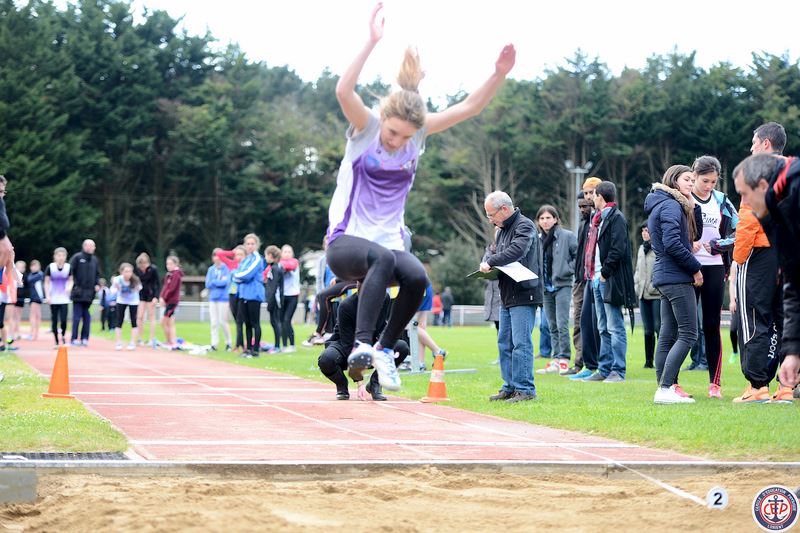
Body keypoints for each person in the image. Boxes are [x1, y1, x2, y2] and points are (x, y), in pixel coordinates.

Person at [326, 3, 515, 391]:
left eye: (406, 136)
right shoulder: (366, 127)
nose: (397, 141)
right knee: (382, 259)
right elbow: (343, 91)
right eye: (392, 133)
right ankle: (362, 345)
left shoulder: (418, 135)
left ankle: (382, 349)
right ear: (383, 119)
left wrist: (498, 74)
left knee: (416, 277)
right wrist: (371, 41)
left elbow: (470, 107)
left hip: (388, 242)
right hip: (346, 241)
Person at [734, 152, 799, 401]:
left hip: (757, 258)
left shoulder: (761, 178)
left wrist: (738, 259)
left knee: (753, 318)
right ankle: (786, 386)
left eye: (743, 194)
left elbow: (747, 223)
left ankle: (757, 385)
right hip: (777, 256)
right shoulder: (785, 188)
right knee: (782, 316)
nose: (743, 202)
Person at [645, 165, 703, 404]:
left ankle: (664, 388)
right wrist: (695, 268)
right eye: (687, 179)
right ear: (673, 180)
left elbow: (695, 235)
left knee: (668, 334)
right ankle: (666, 387)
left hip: (665, 277)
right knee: (689, 334)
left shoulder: (665, 203)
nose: (692, 183)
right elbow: (673, 244)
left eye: (693, 180)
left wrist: (693, 205)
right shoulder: (670, 205)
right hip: (676, 277)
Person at [481, 191, 542, 403]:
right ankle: (509, 387)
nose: (490, 220)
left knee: (521, 343)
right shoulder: (501, 231)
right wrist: (490, 264)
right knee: (504, 343)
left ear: (504, 209)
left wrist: (491, 261)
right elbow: (497, 255)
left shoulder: (525, 226)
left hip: (524, 293)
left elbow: (517, 251)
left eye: (491, 215)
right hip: (506, 294)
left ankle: (525, 389)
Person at [689, 155, 739, 397]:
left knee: (711, 325)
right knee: (685, 328)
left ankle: (715, 384)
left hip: (715, 268)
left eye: (713, 182)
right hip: (688, 268)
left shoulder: (722, 200)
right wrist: (688, 243)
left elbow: (741, 230)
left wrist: (719, 245)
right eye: (704, 181)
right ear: (694, 175)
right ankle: (671, 383)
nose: (709, 186)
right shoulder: (683, 198)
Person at [584, 182, 636, 383]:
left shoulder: (616, 218)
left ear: (600, 196)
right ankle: (604, 369)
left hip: (608, 279)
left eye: (593, 194)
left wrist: (604, 273)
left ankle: (618, 370)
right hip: (596, 279)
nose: (591, 198)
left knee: (615, 326)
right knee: (603, 327)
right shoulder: (598, 219)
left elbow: (618, 249)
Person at [318, 292, 410, 401]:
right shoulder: (346, 306)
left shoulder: (384, 297)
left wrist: (383, 350)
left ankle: (374, 384)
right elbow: (348, 345)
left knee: (401, 347)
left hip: (372, 341)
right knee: (326, 359)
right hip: (345, 344)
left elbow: (382, 326)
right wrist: (359, 382)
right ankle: (342, 385)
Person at [535, 205, 577, 374]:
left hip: (562, 285)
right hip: (545, 288)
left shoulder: (567, 236)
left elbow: (578, 257)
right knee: (551, 325)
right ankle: (556, 358)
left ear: (555, 219)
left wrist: (567, 269)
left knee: (562, 324)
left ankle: (564, 358)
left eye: (548, 218)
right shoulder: (537, 239)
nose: (545, 221)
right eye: (542, 218)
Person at [570, 179, 604, 380]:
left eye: (591, 193)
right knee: (582, 322)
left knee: (598, 324)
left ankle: (600, 365)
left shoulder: (602, 219)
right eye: (585, 194)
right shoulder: (586, 222)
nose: (587, 199)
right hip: (582, 278)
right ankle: (585, 363)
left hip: (597, 277)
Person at [233, 235, 265, 358]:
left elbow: (246, 275)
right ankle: (248, 349)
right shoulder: (247, 259)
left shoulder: (257, 259)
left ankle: (255, 350)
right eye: (248, 244)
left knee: (255, 323)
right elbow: (237, 274)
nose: (250, 246)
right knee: (247, 323)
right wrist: (238, 277)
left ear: (257, 245)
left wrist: (238, 277)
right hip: (244, 294)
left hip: (254, 295)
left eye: (252, 244)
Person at [634, 223, 660, 369]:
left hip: (656, 295)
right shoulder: (641, 249)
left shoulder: (658, 248)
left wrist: (652, 286)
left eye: (647, 230)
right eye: (643, 230)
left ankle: (661, 360)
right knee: (647, 329)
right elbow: (638, 270)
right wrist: (637, 286)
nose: (644, 233)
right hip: (643, 295)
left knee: (658, 328)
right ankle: (648, 361)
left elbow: (660, 269)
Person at [68, 239, 99, 346]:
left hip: (90, 295)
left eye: (92, 246)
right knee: (77, 317)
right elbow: (70, 272)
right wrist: (74, 286)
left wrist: (97, 284)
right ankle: (74, 338)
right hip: (78, 294)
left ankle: (84, 338)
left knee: (87, 317)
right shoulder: (77, 257)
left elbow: (97, 274)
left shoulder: (94, 260)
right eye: (88, 245)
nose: (90, 248)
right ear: (84, 246)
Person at [415, 282, 447, 372]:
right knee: (420, 328)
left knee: (408, 326)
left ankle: (438, 351)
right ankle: (420, 363)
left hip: (415, 286)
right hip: (425, 285)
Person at [205, 249, 233, 352]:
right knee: (214, 322)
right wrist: (217, 282)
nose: (217, 258)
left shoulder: (226, 268)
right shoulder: (211, 269)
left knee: (223, 321)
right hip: (213, 298)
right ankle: (214, 344)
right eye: (215, 256)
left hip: (223, 298)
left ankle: (228, 343)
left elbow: (226, 282)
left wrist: (214, 282)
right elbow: (208, 284)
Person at [217, 247, 244, 352]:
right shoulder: (231, 264)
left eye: (241, 254)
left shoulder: (246, 265)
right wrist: (232, 252)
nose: (239, 257)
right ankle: (239, 344)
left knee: (241, 320)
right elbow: (219, 254)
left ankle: (241, 344)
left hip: (242, 294)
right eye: (237, 255)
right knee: (237, 321)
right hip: (232, 294)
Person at [44, 247, 71, 348]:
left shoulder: (68, 267)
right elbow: (46, 282)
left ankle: (63, 336)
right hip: (53, 298)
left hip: (64, 298)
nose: (61, 257)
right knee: (54, 320)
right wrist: (47, 296)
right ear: (55, 256)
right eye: (59, 255)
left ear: (65, 257)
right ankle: (56, 341)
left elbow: (71, 280)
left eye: (63, 255)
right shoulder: (50, 267)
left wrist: (69, 287)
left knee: (63, 320)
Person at [111, 263, 141, 351]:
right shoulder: (117, 280)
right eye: (126, 271)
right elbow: (112, 291)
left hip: (133, 301)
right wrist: (116, 288)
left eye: (130, 271)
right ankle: (118, 342)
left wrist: (134, 288)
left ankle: (132, 342)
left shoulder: (135, 280)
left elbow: (140, 289)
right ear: (121, 272)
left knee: (133, 321)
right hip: (121, 300)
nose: (128, 274)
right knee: (119, 320)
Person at [134, 253, 160, 349]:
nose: (142, 267)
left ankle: (151, 339)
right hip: (141, 295)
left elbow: (158, 284)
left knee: (151, 317)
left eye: (144, 264)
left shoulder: (153, 269)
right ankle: (140, 338)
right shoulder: (137, 270)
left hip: (151, 295)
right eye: (140, 265)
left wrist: (156, 297)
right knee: (139, 317)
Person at [159, 255, 184, 350]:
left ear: (175, 264)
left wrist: (164, 298)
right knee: (168, 322)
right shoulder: (169, 274)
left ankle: (172, 341)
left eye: (170, 264)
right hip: (168, 301)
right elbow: (165, 287)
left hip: (172, 302)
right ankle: (170, 341)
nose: (168, 266)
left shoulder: (176, 274)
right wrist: (161, 297)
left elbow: (172, 289)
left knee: (164, 322)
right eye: (167, 264)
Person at [279, 244, 300, 353]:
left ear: (292, 254)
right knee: (282, 321)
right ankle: (284, 345)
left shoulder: (294, 262)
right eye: (285, 252)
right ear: (281, 253)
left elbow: (289, 266)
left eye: (289, 252)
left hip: (293, 295)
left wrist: (279, 264)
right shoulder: (279, 263)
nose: (287, 254)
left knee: (287, 320)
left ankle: (292, 345)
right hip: (282, 296)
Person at [264, 245, 284, 354]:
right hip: (273, 299)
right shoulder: (273, 268)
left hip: (275, 300)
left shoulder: (275, 269)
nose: (265, 258)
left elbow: (274, 287)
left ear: (271, 256)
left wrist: (270, 301)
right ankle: (276, 345)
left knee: (275, 322)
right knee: (273, 322)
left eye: (266, 255)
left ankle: (277, 346)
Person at [8, 260, 26, 344]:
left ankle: (17, 332)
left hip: (21, 298)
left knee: (18, 317)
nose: (20, 268)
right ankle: (12, 333)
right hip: (13, 298)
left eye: (22, 267)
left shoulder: (24, 276)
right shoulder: (12, 274)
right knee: (13, 317)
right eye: (18, 267)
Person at [27, 260, 44, 341]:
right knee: (36, 315)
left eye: (36, 266)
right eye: (33, 266)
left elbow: (29, 280)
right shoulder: (32, 274)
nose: (34, 267)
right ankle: (34, 333)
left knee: (34, 315)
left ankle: (33, 333)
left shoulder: (40, 274)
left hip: (36, 298)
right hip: (33, 297)